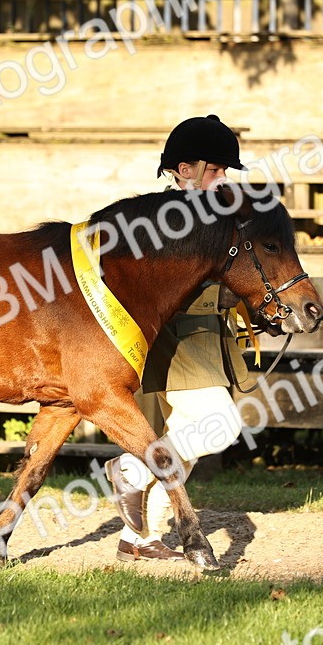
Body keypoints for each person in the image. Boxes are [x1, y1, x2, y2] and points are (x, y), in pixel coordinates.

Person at [106, 114, 249, 563]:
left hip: (201, 338)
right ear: (184, 170)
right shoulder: (160, 220)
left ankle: (138, 537)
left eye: (225, 171)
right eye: (215, 170)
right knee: (219, 427)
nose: (222, 178)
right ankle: (127, 469)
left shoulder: (213, 213)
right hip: (175, 340)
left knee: (175, 439)